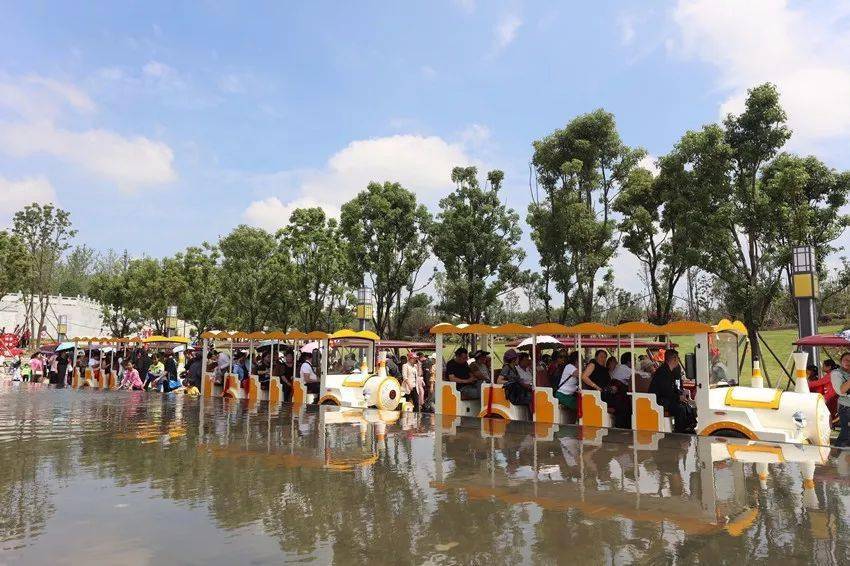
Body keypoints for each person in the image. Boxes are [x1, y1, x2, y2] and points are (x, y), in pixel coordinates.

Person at [648, 349, 695, 434]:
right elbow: (665, 391)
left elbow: (677, 385)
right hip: (659, 400)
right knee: (680, 409)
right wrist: (678, 397)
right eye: (678, 358)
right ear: (674, 359)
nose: (678, 360)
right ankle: (679, 431)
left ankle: (689, 427)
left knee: (687, 406)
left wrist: (682, 392)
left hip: (669, 398)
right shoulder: (662, 372)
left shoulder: (675, 371)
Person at [830, 352, 850, 447]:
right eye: (846, 360)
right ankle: (836, 455)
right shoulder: (836, 373)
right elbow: (841, 390)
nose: (848, 362)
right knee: (846, 433)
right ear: (840, 361)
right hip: (846, 407)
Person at [555, 352, 580, 423]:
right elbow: (581, 375)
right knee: (580, 406)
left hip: (568, 395)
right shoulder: (570, 367)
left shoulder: (573, 367)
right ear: (576, 360)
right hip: (562, 395)